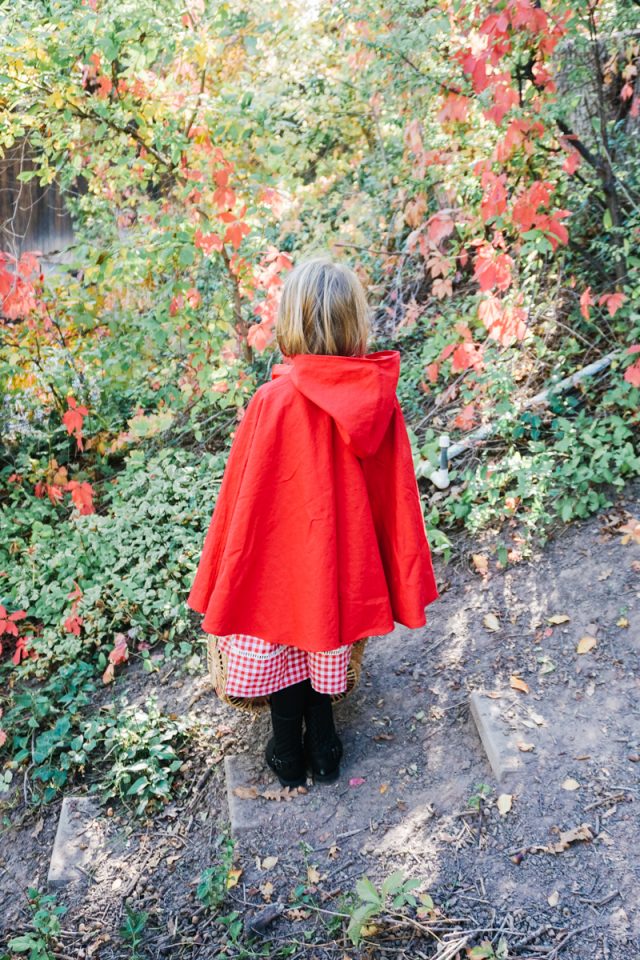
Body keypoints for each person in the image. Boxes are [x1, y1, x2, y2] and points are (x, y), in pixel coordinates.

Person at [187, 253, 439, 788]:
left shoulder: (271, 401)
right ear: (354, 325)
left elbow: (243, 502)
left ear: (291, 323)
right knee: (325, 630)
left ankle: (287, 747)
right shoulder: (378, 403)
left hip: (281, 564)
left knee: (281, 630)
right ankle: (323, 743)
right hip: (344, 562)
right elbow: (389, 500)